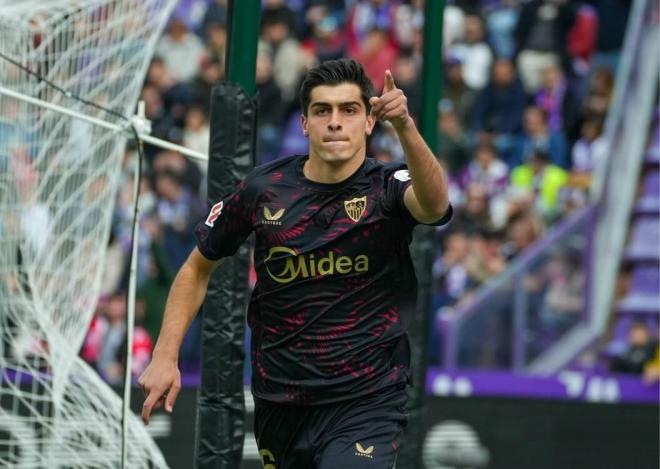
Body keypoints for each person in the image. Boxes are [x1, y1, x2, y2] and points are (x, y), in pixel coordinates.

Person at [138, 59, 451, 468]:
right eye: (322, 111)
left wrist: (406, 126)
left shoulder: (388, 187)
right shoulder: (263, 191)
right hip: (281, 403)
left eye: (349, 110)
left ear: (370, 121)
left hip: (366, 399)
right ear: (304, 124)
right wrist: (164, 356)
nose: (335, 122)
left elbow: (434, 206)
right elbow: (196, 268)